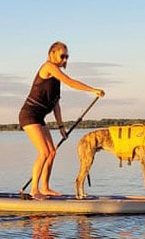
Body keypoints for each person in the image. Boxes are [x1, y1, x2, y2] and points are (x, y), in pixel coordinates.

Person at [19, 41, 105, 199]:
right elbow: (71, 82)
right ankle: (34, 190)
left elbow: (56, 104)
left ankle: (44, 188)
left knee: (52, 152)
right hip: (29, 115)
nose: (65, 60)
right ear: (52, 54)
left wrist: (61, 127)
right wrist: (93, 90)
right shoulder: (49, 67)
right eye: (62, 56)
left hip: (40, 116)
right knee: (44, 152)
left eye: (67, 57)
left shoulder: (55, 76)